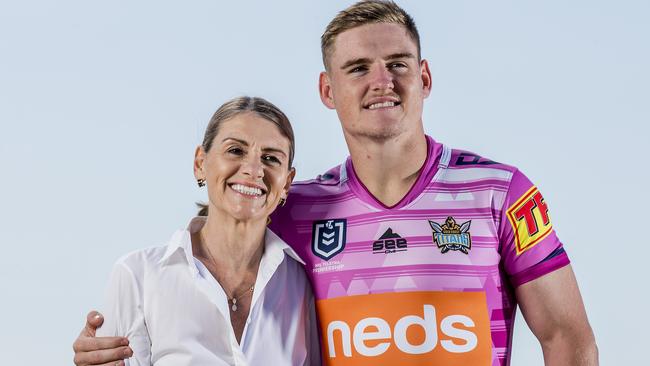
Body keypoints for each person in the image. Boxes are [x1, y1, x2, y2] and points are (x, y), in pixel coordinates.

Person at [73, 1, 598, 365]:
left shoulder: (501, 193)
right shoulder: (294, 210)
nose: (381, 81)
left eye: (398, 64)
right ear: (327, 89)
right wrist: (106, 350)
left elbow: (568, 337)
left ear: (426, 78)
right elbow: (203, 266)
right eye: (358, 68)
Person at [74, 96, 319, 365]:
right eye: (236, 151)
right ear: (200, 163)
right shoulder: (137, 276)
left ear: (287, 183)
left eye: (270, 158)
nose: (253, 170)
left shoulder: (303, 285)